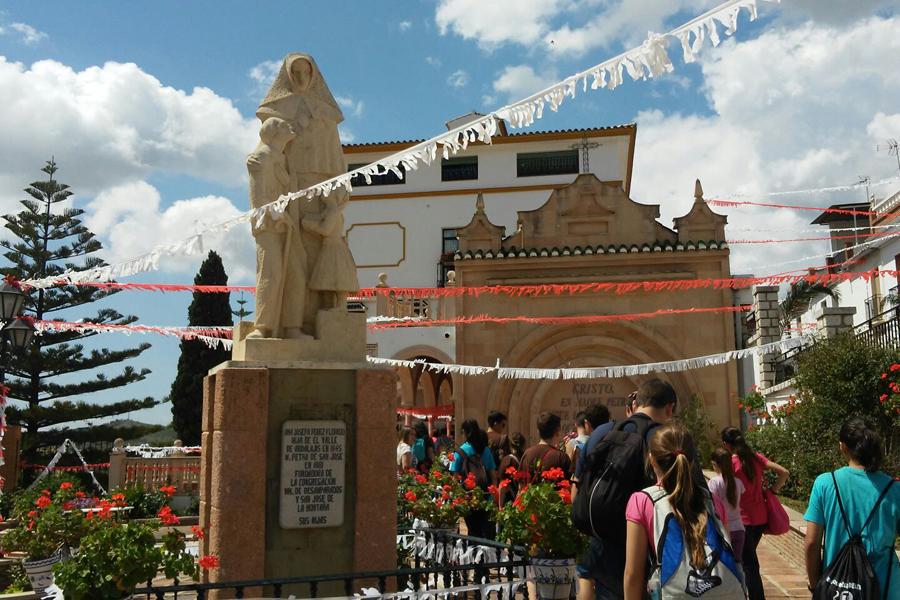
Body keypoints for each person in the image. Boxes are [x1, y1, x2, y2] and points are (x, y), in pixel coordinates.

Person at [580, 379, 679, 600]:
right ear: (670, 407)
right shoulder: (663, 438)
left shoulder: (601, 433)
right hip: (650, 546)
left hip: (602, 540)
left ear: (636, 403)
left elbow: (580, 481)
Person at [624, 425, 744, 600]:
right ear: (692, 461)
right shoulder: (711, 500)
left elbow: (633, 574)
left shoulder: (642, 501)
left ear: (652, 459)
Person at [804, 418, 900, 596]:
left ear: (843, 447)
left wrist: (815, 584)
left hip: (838, 589)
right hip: (885, 589)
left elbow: (811, 543)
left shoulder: (825, 483)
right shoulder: (894, 490)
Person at [721, 426, 789, 600]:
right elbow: (784, 472)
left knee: (749, 564)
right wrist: (773, 490)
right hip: (760, 519)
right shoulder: (755, 458)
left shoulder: (730, 464)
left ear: (725, 444)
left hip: (741, 521)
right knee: (747, 560)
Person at [450, 419, 498, 538]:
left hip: (468, 497)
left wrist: (457, 497)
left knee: (473, 533)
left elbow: (454, 477)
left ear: (465, 432)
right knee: (487, 533)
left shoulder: (460, 451)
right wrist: (493, 496)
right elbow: (493, 475)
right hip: (486, 497)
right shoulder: (486, 450)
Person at [710, 447, 746, 561]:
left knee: (724, 568)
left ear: (715, 464)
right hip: (739, 529)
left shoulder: (714, 483)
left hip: (722, 530)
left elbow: (712, 507)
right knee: (738, 565)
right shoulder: (738, 482)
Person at [520, 412, 572, 481]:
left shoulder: (527, 454)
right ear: (557, 431)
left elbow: (521, 487)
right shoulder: (561, 457)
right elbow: (567, 487)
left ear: (538, 432)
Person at [497, 432, 526, 506]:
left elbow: (503, 486)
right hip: (523, 501)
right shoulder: (526, 459)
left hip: (509, 503)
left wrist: (500, 507)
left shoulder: (507, 461)